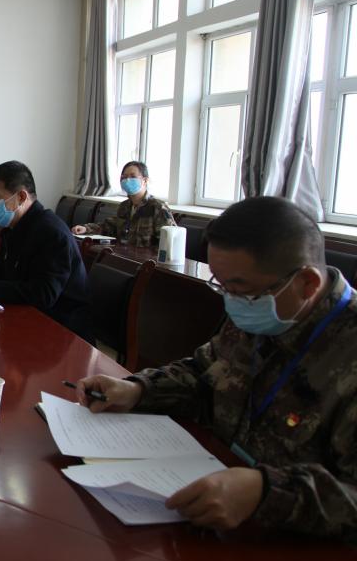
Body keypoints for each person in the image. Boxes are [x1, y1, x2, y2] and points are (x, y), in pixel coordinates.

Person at [75, 196, 357, 538]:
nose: (230, 301)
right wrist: (138, 389)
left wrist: (266, 493)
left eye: (239, 290)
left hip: (298, 551)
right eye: (221, 286)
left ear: (307, 284)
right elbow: (204, 371)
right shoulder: (264, 306)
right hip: (207, 506)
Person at [0, 160, 93, 343]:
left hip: (61, 334)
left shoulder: (51, 232)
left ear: (21, 196)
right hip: (25, 319)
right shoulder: (14, 228)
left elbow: (44, 294)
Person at [72, 161, 176, 247]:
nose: (127, 180)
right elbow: (110, 226)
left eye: (132, 176)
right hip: (123, 255)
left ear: (145, 180)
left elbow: (170, 241)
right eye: (124, 177)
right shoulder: (124, 206)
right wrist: (86, 228)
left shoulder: (158, 207)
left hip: (146, 261)